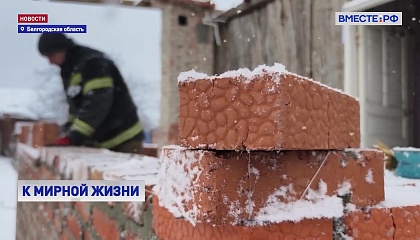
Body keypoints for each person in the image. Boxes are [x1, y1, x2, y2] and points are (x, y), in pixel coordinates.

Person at [37, 33, 144, 154]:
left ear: (62, 49)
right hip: (102, 139)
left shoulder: (93, 63)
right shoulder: (70, 69)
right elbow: (76, 108)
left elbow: (98, 102)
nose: (50, 62)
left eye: (51, 56)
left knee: (127, 172)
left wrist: (75, 135)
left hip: (124, 138)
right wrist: (68, 132)